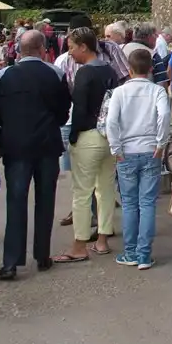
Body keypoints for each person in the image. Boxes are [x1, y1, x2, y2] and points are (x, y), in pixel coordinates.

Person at [0, 30, 72, 280]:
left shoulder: (4, 75)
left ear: (19, 50)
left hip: (16, 146)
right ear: (42, 49)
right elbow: (64, 109)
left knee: (16, 201)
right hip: (46, 145)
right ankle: (42, 255)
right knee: (45, 201)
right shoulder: (54, 73)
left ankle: (11, 262)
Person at [54, 28, 117, 262]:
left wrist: (73, 136)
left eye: (71, 47)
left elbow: (79, 108)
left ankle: (79, 244)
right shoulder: (109, 70)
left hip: (88, 134)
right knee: (106, 189)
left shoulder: (84, 74)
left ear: (84, 46)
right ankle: (102, 240)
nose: (70, 53)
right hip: (108, 135)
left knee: (82, 192)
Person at [105, 48, 170, 269]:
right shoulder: (157, 92)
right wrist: (161, 142)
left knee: (130, 204)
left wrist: (116, 148)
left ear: (129, 70)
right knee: (147, 202)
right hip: (151, 148)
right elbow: (164, 115)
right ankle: (144, 254)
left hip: (127, 150)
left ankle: (130, 252)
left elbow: (111, 121)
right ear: (151, 69)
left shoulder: (119, 92)